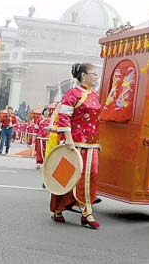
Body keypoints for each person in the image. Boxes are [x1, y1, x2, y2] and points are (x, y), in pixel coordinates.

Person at [50, 63, 101, 229]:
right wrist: (68, 139)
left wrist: (97, 142)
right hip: (76, 143)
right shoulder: (72, 94)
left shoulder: (95, 95)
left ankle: (87, 211)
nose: (96, 77)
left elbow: (96, 121)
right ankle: (58, 208)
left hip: (92, 144)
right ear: (83, 75)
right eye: (93, 74)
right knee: (67, 176)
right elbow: (64, 116)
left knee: (91, 175)